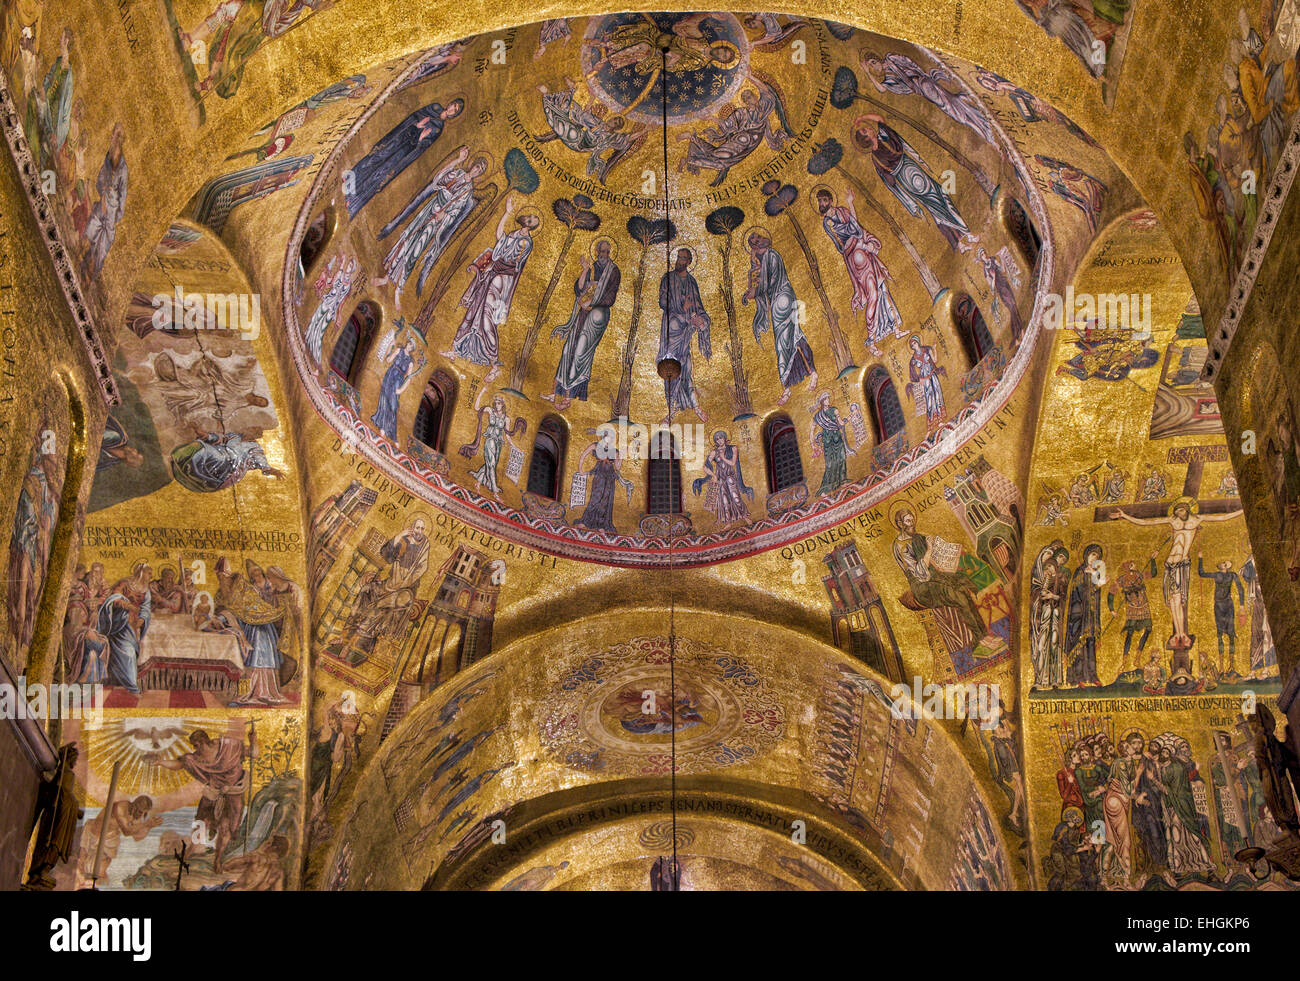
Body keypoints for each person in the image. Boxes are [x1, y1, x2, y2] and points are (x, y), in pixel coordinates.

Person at [852, 113, 976, 252]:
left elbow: (879, 119)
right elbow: (890, 181)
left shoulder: (881, 142)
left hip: (909, 174)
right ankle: (966, 232)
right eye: (865, 130)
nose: (869, 128)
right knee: (940, 199)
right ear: (867, 138)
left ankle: (958, 243)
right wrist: (862, 118)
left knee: (935, 207)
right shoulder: (878, 154)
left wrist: (862, 118)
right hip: (911, 178)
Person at [446, 197, 538, 379]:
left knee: (487, 315)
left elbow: (508, 255)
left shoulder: (525, 242)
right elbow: (499, 237)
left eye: (532, 220)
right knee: (473, 311)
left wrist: (499, 257)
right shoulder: (514, 234)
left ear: (531, 226)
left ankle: (494, 362)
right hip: (493, 272)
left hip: (501, 278)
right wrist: (507, 212)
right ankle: (455, 349)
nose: (528, 219)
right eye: (529, 217)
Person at [815, 187, 904, 355]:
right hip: (856, 257)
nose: (821, 204)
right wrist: (858, 243)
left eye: (824, 200)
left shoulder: (842, 211)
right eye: (819, 201)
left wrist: (850, 203)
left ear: (830, 200)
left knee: (883, 290)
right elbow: (841, 246)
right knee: (873, 296)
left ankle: (895, 329)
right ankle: (871, 341)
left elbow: (856, 226)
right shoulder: (827, 224)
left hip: (862, 250)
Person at [342, 99, 464, 217]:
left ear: (455, 114)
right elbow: (412, 118)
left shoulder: (439, 128)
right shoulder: (434, 107)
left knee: (381, 173)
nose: (452, 109)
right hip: (398, 138)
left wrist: (421, 138)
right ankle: (349, 181)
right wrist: (417, 125)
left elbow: (423, 146)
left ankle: (353, 200)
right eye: (453, 105)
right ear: (450, 103)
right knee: (376, 158)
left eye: (455, 110)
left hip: (405, 150)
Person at [145, 729, 245, 873]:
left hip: (233, 791)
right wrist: (160, 762)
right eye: (194, 746)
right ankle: (189, 852)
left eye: (196, 745)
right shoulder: (196, 758)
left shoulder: (228, 746)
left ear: (204, 742)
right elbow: (180, 764)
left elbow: (252, 753)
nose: (195, 749)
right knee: (201, 822)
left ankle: (218, 860)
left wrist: (253, 742)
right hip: (213, 790)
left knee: (227, 826)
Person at [547, 237, 621, 408]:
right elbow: (579, 289)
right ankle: (555, 392)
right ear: (596, 252)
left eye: (607, 252)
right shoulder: (593, 267)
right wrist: (585, 269)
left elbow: (611, 296)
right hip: (583, 313)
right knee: (569, 349)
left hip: (598, 315)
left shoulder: (614, 271)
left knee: (581, 351)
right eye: (602, 251)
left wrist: (593, 303)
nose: (604, 254)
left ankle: (569, 396)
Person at [743, 232, 816, 404]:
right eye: (754, 242)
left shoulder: (771, 255)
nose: (757, 242)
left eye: (758, 238)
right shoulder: (766, 260)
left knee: (787, 342)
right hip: (781, 300)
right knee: (791, 339)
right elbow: (761, 282)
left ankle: (794, 382)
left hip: (783, 300)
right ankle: (803, 377)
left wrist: (756, 291)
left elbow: (767, 283)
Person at [657, 247, 713, 422]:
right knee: (670, 369)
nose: (679, 261)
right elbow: (663, 302)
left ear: (689, 262)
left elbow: (698, 307)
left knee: (686, 367)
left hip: (686, 331)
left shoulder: (692, 282)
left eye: (683, 258)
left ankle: (694, 406)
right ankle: (672, 408)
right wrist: (682, 308)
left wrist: (701, 321)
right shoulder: (667, 278)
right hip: (672, 328)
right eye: (678, 257)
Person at [78, 795, 161, 885]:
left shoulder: (136, 814)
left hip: (110, 838)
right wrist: (145, 824)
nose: (140, 815)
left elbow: (137, 837)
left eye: (144, 813)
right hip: (95, 833)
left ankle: (92, 881)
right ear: (135, 805)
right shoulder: (121, 807)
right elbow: (126, 831)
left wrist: (149, 826)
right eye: (140, 811)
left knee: (102, 867)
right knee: (83, 863)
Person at [459, 388, 526, 498]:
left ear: (503, 405)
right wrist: (482, 391)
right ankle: (494, 490)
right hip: (489, 440)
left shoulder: (506, 419)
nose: (497, 405)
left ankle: (478, 482)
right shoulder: (491, 411)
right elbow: (477, 407)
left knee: (489, 464)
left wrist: (515, 447)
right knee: (492, 464)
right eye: (495, 403)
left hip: (498, 444)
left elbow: (508, 436)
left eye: (499, 403)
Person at [691, 430, 752, 529]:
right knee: (724, 501)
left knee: (735, 497)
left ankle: (745, 517)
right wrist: (713, 475)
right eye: (717, 439)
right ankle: (728, 522)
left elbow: (732, 463)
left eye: (721, 437)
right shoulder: (714, 452)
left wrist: (723, 457)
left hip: (730, 477)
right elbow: (705, 466)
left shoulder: (733, 448)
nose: (719, 440)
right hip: (720, 479)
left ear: (725, 437)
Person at [1197, 553, 1245, 677]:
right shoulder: (1216, 575)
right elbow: (1201, 573)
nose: (1224, 564)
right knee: (1219, 634)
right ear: (1220, 566)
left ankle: (1232, 665)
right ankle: (1222, 667)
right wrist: (1200, 558)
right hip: (1218, 605)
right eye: (1223, 563)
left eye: (1225, 563)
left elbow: (1240, 588)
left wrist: (1241, 606)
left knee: (1231, 634)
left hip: (1228, 605)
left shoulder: (1232, 575)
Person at [1063, 544, 1104, 687]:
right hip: (1079, 617)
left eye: (1097, 557)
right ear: (1086, 555)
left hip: (1091, 617)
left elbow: (1096, 594)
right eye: (1092, 555)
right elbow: (1076, 593)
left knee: (1091, 645)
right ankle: (1078, 677)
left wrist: (1094, 577)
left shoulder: (1096, 573)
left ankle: (1093, 676)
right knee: (1079, 646)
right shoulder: (1079, 572)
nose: (1094, 558)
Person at [809, 393, 853, 496]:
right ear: (822, 401)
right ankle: (826, 488)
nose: (828, 400)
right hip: (827, 440)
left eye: (828, 398)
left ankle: (842, 481)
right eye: (826, 399)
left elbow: (841, 423)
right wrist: (812, 444)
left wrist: (851, 416)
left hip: (837, 437)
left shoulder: (834, 409)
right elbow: (812, 430)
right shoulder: (818, 416)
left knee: (841, 457)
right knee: (829, 463)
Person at [905, 334, 946, 434]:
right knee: (929, 399)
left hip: (932, 375)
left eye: (914, 343)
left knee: (937, 394)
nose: (913, 345)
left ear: (918, 342)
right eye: (911, 345)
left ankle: (940, 420)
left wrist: (935, 349)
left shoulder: (927, 349)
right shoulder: (913, 360)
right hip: (925, 379)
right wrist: (919, 380)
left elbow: (935, 360)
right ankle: (931, 424)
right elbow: (913, 374)